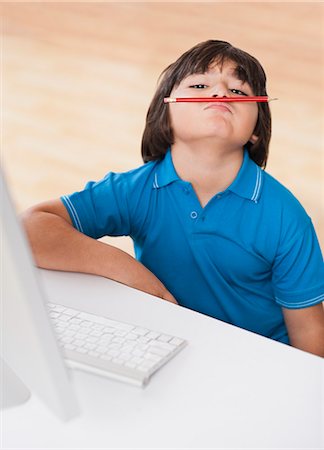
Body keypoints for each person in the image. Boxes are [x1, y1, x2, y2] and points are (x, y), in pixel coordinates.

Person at [22, 40, 324, 357]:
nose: (220, 93)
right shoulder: (136, 190)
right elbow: (30, 228)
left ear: (256, 131)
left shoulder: (284, 216)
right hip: (173, 351)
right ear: (166, 115)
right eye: (199, 84)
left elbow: (310, 336)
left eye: (238, 91)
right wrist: (125, 268)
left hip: (261, 360)